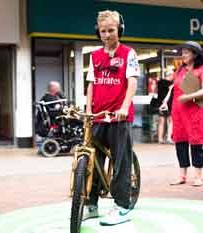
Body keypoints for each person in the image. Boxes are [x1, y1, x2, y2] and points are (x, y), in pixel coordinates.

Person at [83, 10, 140, 226]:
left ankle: (122, 206)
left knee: (121, 162)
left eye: (111, 30)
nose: (107, 35)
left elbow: (132, 82)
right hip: (98, 117)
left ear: (119, 30)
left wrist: (124, 107)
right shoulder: (95, 56)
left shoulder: (129, 53)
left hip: (119, 117)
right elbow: (91, 84)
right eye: (103, 31)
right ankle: (91, 205)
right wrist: (89, 109)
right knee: (93, 162)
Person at [161, 41, 203, 187]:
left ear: (195, 54)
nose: (183, 55)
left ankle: (198, 176)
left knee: (196, 144)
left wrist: (188, 97)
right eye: (182, 52)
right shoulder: (181, 70)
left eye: (186, 52)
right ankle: (182, 175)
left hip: (195, 112)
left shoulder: (202, 70)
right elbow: (173, 88)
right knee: (180, 143)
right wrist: (166, 102)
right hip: (178, 112)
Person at [157, 70, 173, 144]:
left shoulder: (160, 83)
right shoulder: (170, 84)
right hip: (168, 105)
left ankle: (160, 139)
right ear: (170, 75)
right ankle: (169, 138)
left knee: (161, 122)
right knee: (170, 121)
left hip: (161, 104)